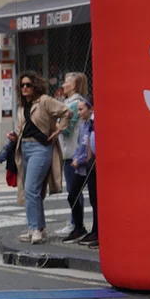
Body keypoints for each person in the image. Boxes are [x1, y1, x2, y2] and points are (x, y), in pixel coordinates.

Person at [9, 70, 70, 244]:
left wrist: (59, 130)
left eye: (28, 85)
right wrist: (14, 136)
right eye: (22, 85)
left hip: (40, 148)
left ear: (36, 86)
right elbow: (21, 128)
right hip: (24, 147)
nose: (25, 88)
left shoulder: (44, 101)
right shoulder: (22, 106)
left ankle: (35, 229)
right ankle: (38, 228)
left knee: (31, 189)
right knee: (32, 191)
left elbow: (66, 112)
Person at [58, 72, 89, 241]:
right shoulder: (69, 103)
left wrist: (56, 123)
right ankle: (75, 222)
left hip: (73, 153)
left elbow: (67, 128)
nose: (63, 85)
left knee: (74, 190)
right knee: (73, 189)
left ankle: (76, 223)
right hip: (69, 152)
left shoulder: (75, 104)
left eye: (66, 82)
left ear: (74, 86)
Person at [68, 98, 98, 247]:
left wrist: (80, 160)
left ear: (90, 109)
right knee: (72, 195)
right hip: (80, 167)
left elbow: (91, 147)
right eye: (78, 110)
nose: (78, 113)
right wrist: (76, 157)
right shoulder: (83, 125)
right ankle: (79, 227)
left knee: (94, 200)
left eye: (81, 109)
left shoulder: (93, 124)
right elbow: (80, 145)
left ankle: (96, 231)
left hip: (89, 165)